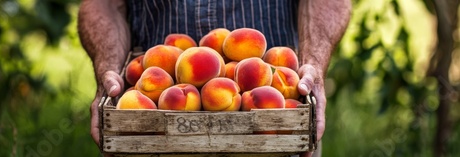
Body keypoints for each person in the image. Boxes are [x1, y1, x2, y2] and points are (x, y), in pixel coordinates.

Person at [78, 0, 351, 157]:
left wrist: (313, 63)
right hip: (152, 133)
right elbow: (105, 5)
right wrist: (108, 67)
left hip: (276, 128)